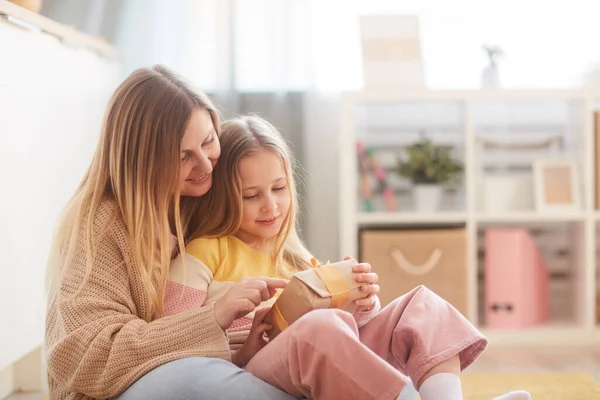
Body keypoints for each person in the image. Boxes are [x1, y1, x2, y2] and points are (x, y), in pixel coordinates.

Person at [164, 115, 533, 400]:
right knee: (319, 328)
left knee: (422, 305)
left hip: (318, 352)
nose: (271, 206)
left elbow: (346, 335)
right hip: (257, 365)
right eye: (250, 195)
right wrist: (240, 344)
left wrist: (362, 303)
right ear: (223, 197)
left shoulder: (294, 258)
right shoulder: (206, 250)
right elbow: (172, 334)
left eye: (278, 189)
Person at [44, 65, 298, 400]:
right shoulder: (100, 225)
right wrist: (214, 317)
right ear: (143, 163)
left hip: (219, 363)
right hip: (118, 388)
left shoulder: (206, 193)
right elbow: (88, 358)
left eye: (209, 141)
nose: (207, 166)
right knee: (196, 378)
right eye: (183, 157)